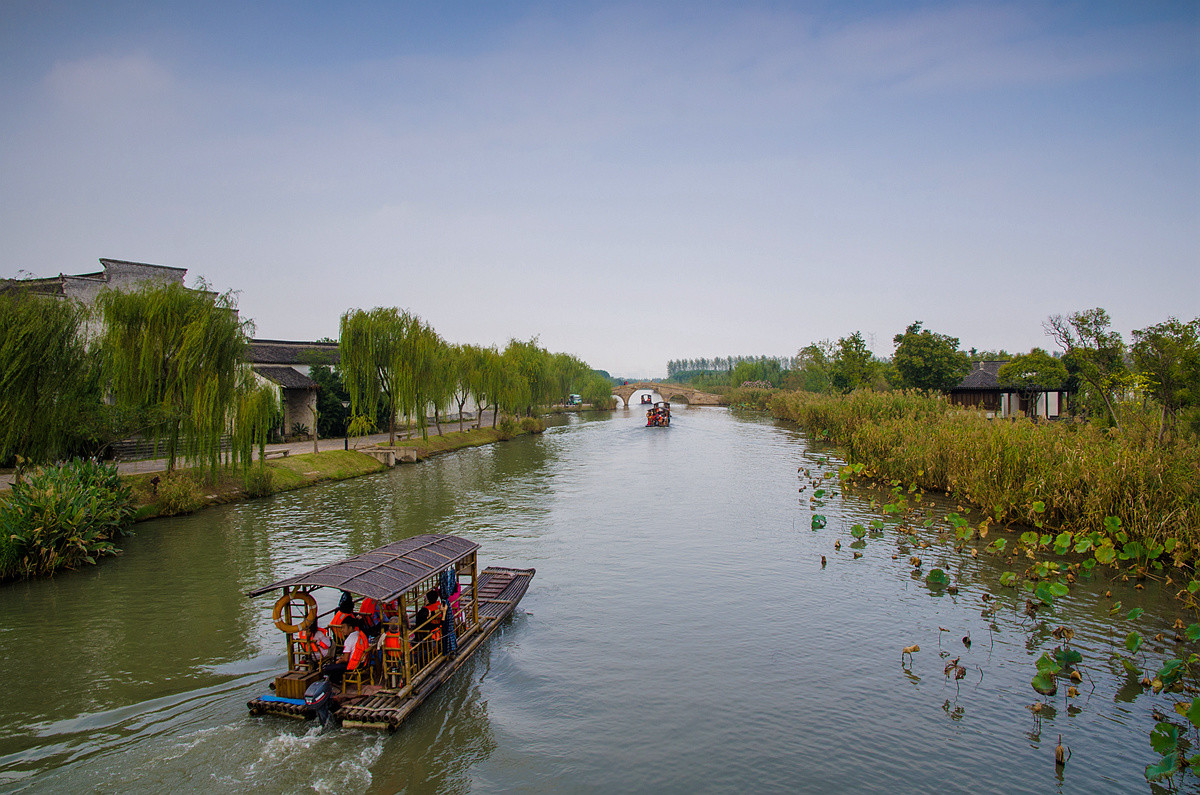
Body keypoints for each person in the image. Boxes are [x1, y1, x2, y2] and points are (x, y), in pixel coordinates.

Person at [321, 616, 369, 687]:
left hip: (354, 665)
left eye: (343, 628)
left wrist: (338, 661)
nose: (342, 630)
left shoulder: (349, 640)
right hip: (363, 663)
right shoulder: (359, 634)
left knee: (327, 668)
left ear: (350, 628)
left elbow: (346, 659)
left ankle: (336, 683)